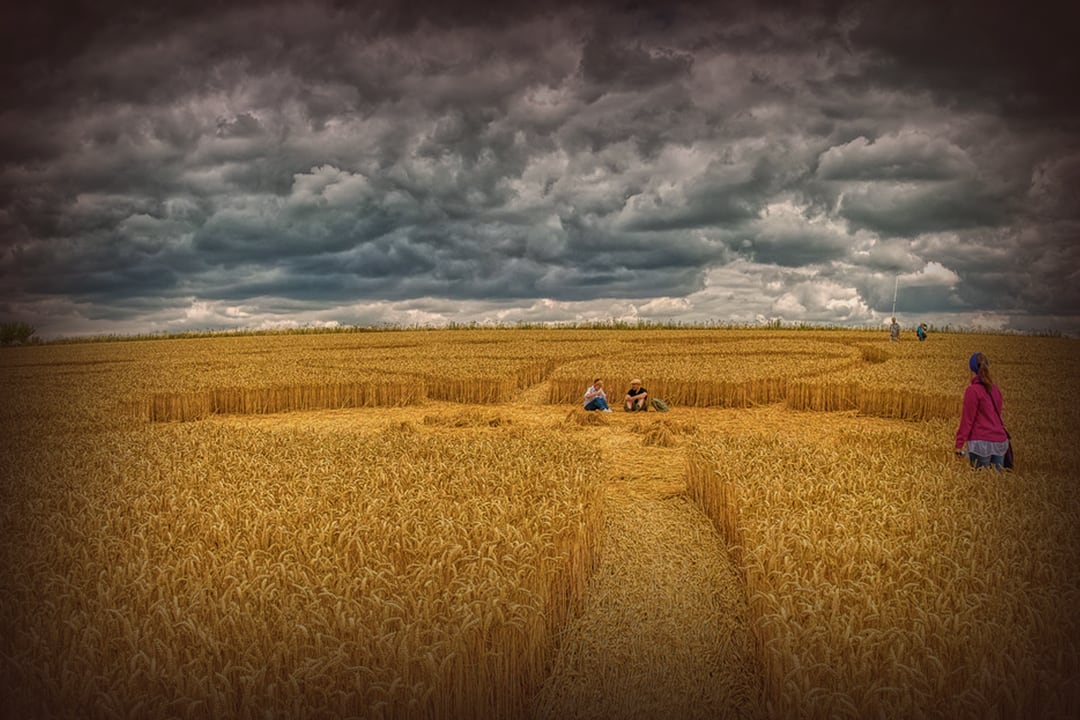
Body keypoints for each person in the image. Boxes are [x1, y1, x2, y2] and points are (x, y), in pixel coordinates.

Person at [955, 352, 1009, 470]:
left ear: (971, 370)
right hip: (1000, 442)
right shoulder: (995, 389)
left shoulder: (972, 391)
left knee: (980, 482)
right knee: (996, 484)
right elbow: (997, 414)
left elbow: (967, 420)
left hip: (980, 443)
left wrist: (959, 444)